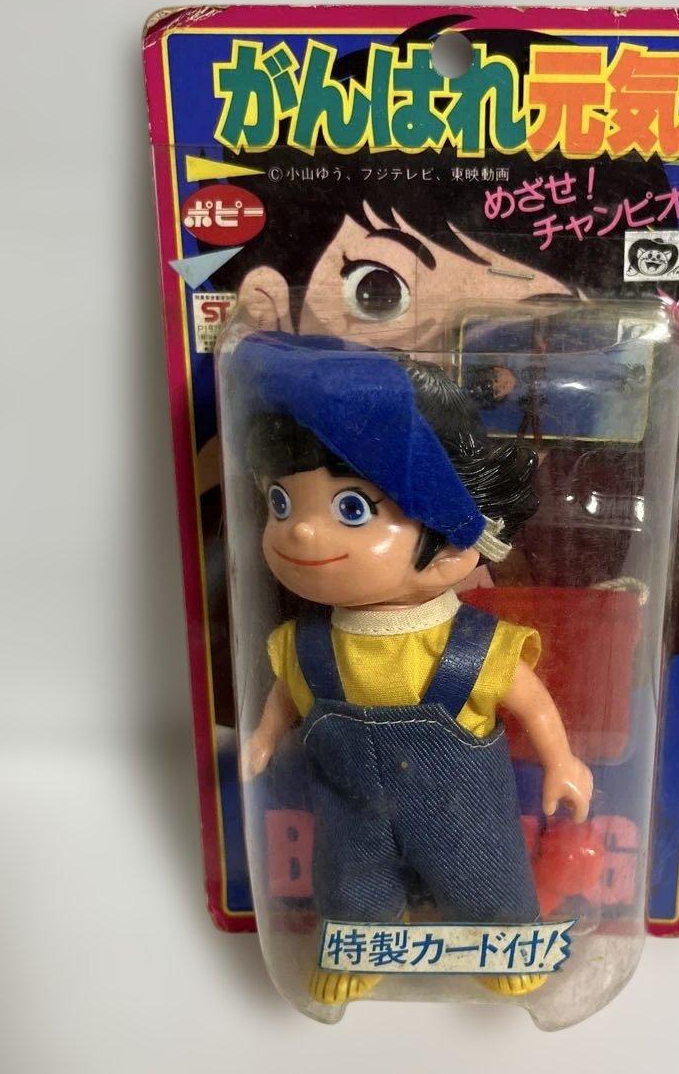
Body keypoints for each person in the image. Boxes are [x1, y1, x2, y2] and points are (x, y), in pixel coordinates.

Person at [234, 335, 593, 1005]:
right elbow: (290, 693)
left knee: (486, 877)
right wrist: (263, 735)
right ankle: (357, 943)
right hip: (350, 809)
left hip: (462, 811)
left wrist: (561, 760)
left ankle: (504, 939)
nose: (301, 533)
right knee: (350, 882)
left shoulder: (470, 644)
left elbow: (532, 701)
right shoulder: (309, 644)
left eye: (352, 508)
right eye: (282, 504)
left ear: (457, 541)